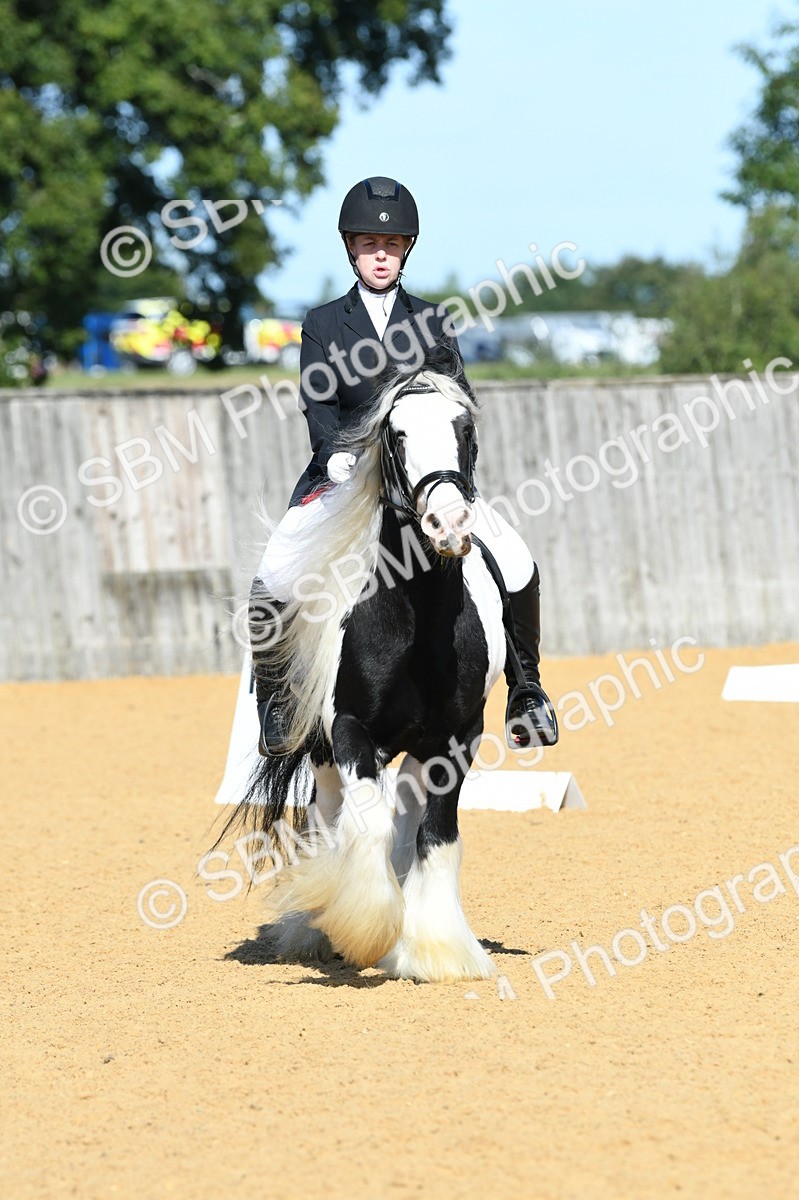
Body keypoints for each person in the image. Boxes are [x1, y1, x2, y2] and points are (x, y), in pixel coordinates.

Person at [249, 175, 558, 755]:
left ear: (406, 249)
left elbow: (459, 403)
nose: (381, 256)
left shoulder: (434, 320)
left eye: (391, 246)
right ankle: (276, 699)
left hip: (427, 483)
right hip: (343, 477)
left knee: (517, 561)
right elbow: (318, 399)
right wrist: (335, 453)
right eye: (369, 245)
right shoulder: (322, 323)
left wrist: (457, 482)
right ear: (352, 249)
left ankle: (527, 690)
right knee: (275, 570)